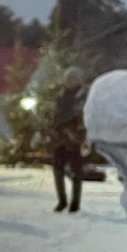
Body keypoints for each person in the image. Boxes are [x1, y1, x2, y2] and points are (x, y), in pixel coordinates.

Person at [50, 67, 88, 213]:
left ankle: (75, 203)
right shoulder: (61, 97)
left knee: (76, 172)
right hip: (60, 139)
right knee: (58, 170)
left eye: (72, 78)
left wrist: (81, 136)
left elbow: (83, 118)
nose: (69, 81)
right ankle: (62, 201)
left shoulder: (82, 97)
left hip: (74, 140)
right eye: (67, 79)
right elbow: (55, 117)